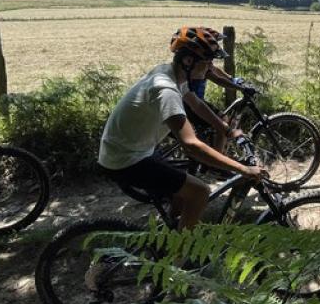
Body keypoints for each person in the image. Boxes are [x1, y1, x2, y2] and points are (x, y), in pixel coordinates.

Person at [98, 26, 266, 229]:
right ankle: (178, 258)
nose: (210, 68)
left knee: (185, 187)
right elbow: (190, 144)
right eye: (207, 62)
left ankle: (168, 234)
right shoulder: (166, 89)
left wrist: (226, 130)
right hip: (125, 159)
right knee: (200, 192)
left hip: (134, 150)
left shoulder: (174, 75)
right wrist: (242, 168)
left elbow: (195, 103)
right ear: (188, 61)